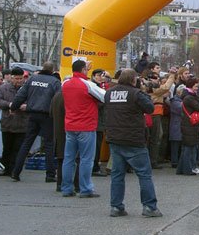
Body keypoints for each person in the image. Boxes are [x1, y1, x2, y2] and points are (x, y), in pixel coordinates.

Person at [104, 68, 162, 218]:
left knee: (117, 174)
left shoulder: (109, 93)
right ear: (134, 80)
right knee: (144, 174)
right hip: (134, 138)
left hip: (115, 138)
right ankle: (149, 207)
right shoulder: (136, 93)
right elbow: (149, 108)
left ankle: (116, 207)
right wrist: (142, 90)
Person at [60, 59, 105, 198]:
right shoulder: (88, 84)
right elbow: (104, 97)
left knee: (68, 158)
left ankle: (66, 188)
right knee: (86, 159)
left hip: (70, 124)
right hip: (86, 125)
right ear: (84, 70)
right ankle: (85, 188)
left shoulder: (65, 83)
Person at [10, 61, 61, 183]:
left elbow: (21, 95)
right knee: (49, 144)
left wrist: (14, 107)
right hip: (48, 115)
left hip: (32, 114)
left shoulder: (33, 79)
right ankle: (50, 175)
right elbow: (59, 99)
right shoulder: (55, 82)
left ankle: (16, 172)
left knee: (27, 143)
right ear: (53, 70)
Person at [0, 67, 28, 177]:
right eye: (16, 79)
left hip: (22, 123)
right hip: (7, 123)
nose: (19, 81)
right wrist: (9, 105)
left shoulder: (27, 89)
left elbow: (33, 101)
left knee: (17, 149)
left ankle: (15, 170)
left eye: (20, 78)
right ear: (11, 78)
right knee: (7, 148)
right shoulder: (4, 88)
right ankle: (7, 168)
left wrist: (26, 106)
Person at [90, 68, 108, 177]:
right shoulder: (93, 88)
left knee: (98, 144)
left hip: (100, 120)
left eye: (103, 75)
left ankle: (95, 165)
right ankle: (94, 167)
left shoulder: (102, 87)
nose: (102, 77)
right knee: (95, 145)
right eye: (99, 75)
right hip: (96, 121)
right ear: (94, 76)